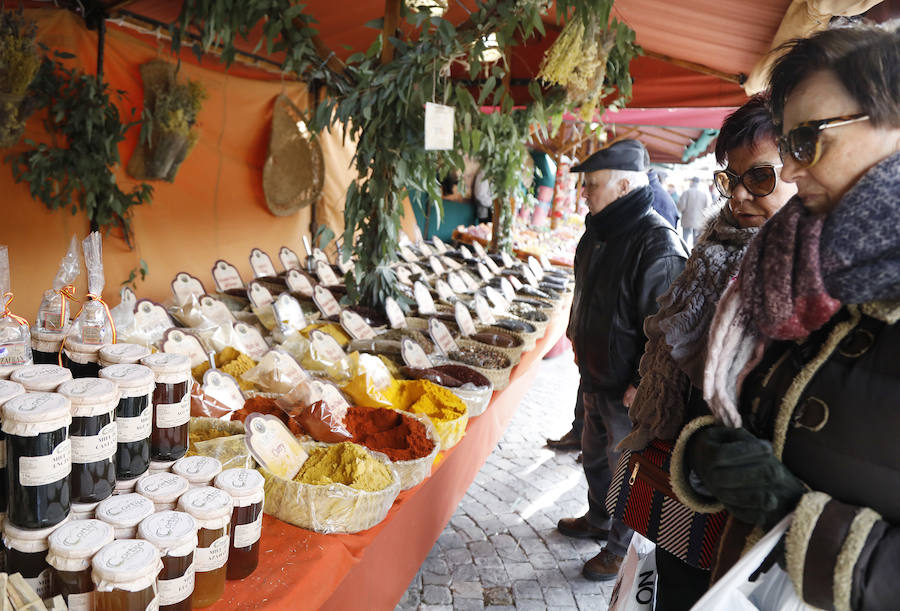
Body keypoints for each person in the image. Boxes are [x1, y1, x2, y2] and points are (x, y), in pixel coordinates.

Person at [669, 22, 900, 610]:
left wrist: (795, 518)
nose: (792, 171)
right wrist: (710, 452)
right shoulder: (796, 268)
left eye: (807, 141)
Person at [618, 94, 795, 610]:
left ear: (804, 167)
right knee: (676, 587)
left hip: (748, 489)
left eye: (760, 178)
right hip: (684, 465)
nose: (739, 195)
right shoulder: (714, 246)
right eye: (730, 179)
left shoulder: (807, 274)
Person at [557, 138, 687, 581]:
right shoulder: (599, 232)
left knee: (626, 471)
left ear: (625, 185)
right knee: (594, 457)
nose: (584, 193)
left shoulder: (657, 242)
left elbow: (667, 328)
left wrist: (641, 383)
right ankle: (598, 519)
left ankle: (619, 547)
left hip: (628, 388)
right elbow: (585, 295)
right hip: (595, 375)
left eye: (592, 184)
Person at [676, 177, 711, 248]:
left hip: (687, 219)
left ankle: (685, 253)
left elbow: (682, 206)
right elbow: (707, 208)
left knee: (685, 239)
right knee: (696, 239)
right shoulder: (703, 194)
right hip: (698, 220)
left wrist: (679, 211)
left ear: (691, 182)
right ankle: (694, 254)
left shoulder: (686, 192)